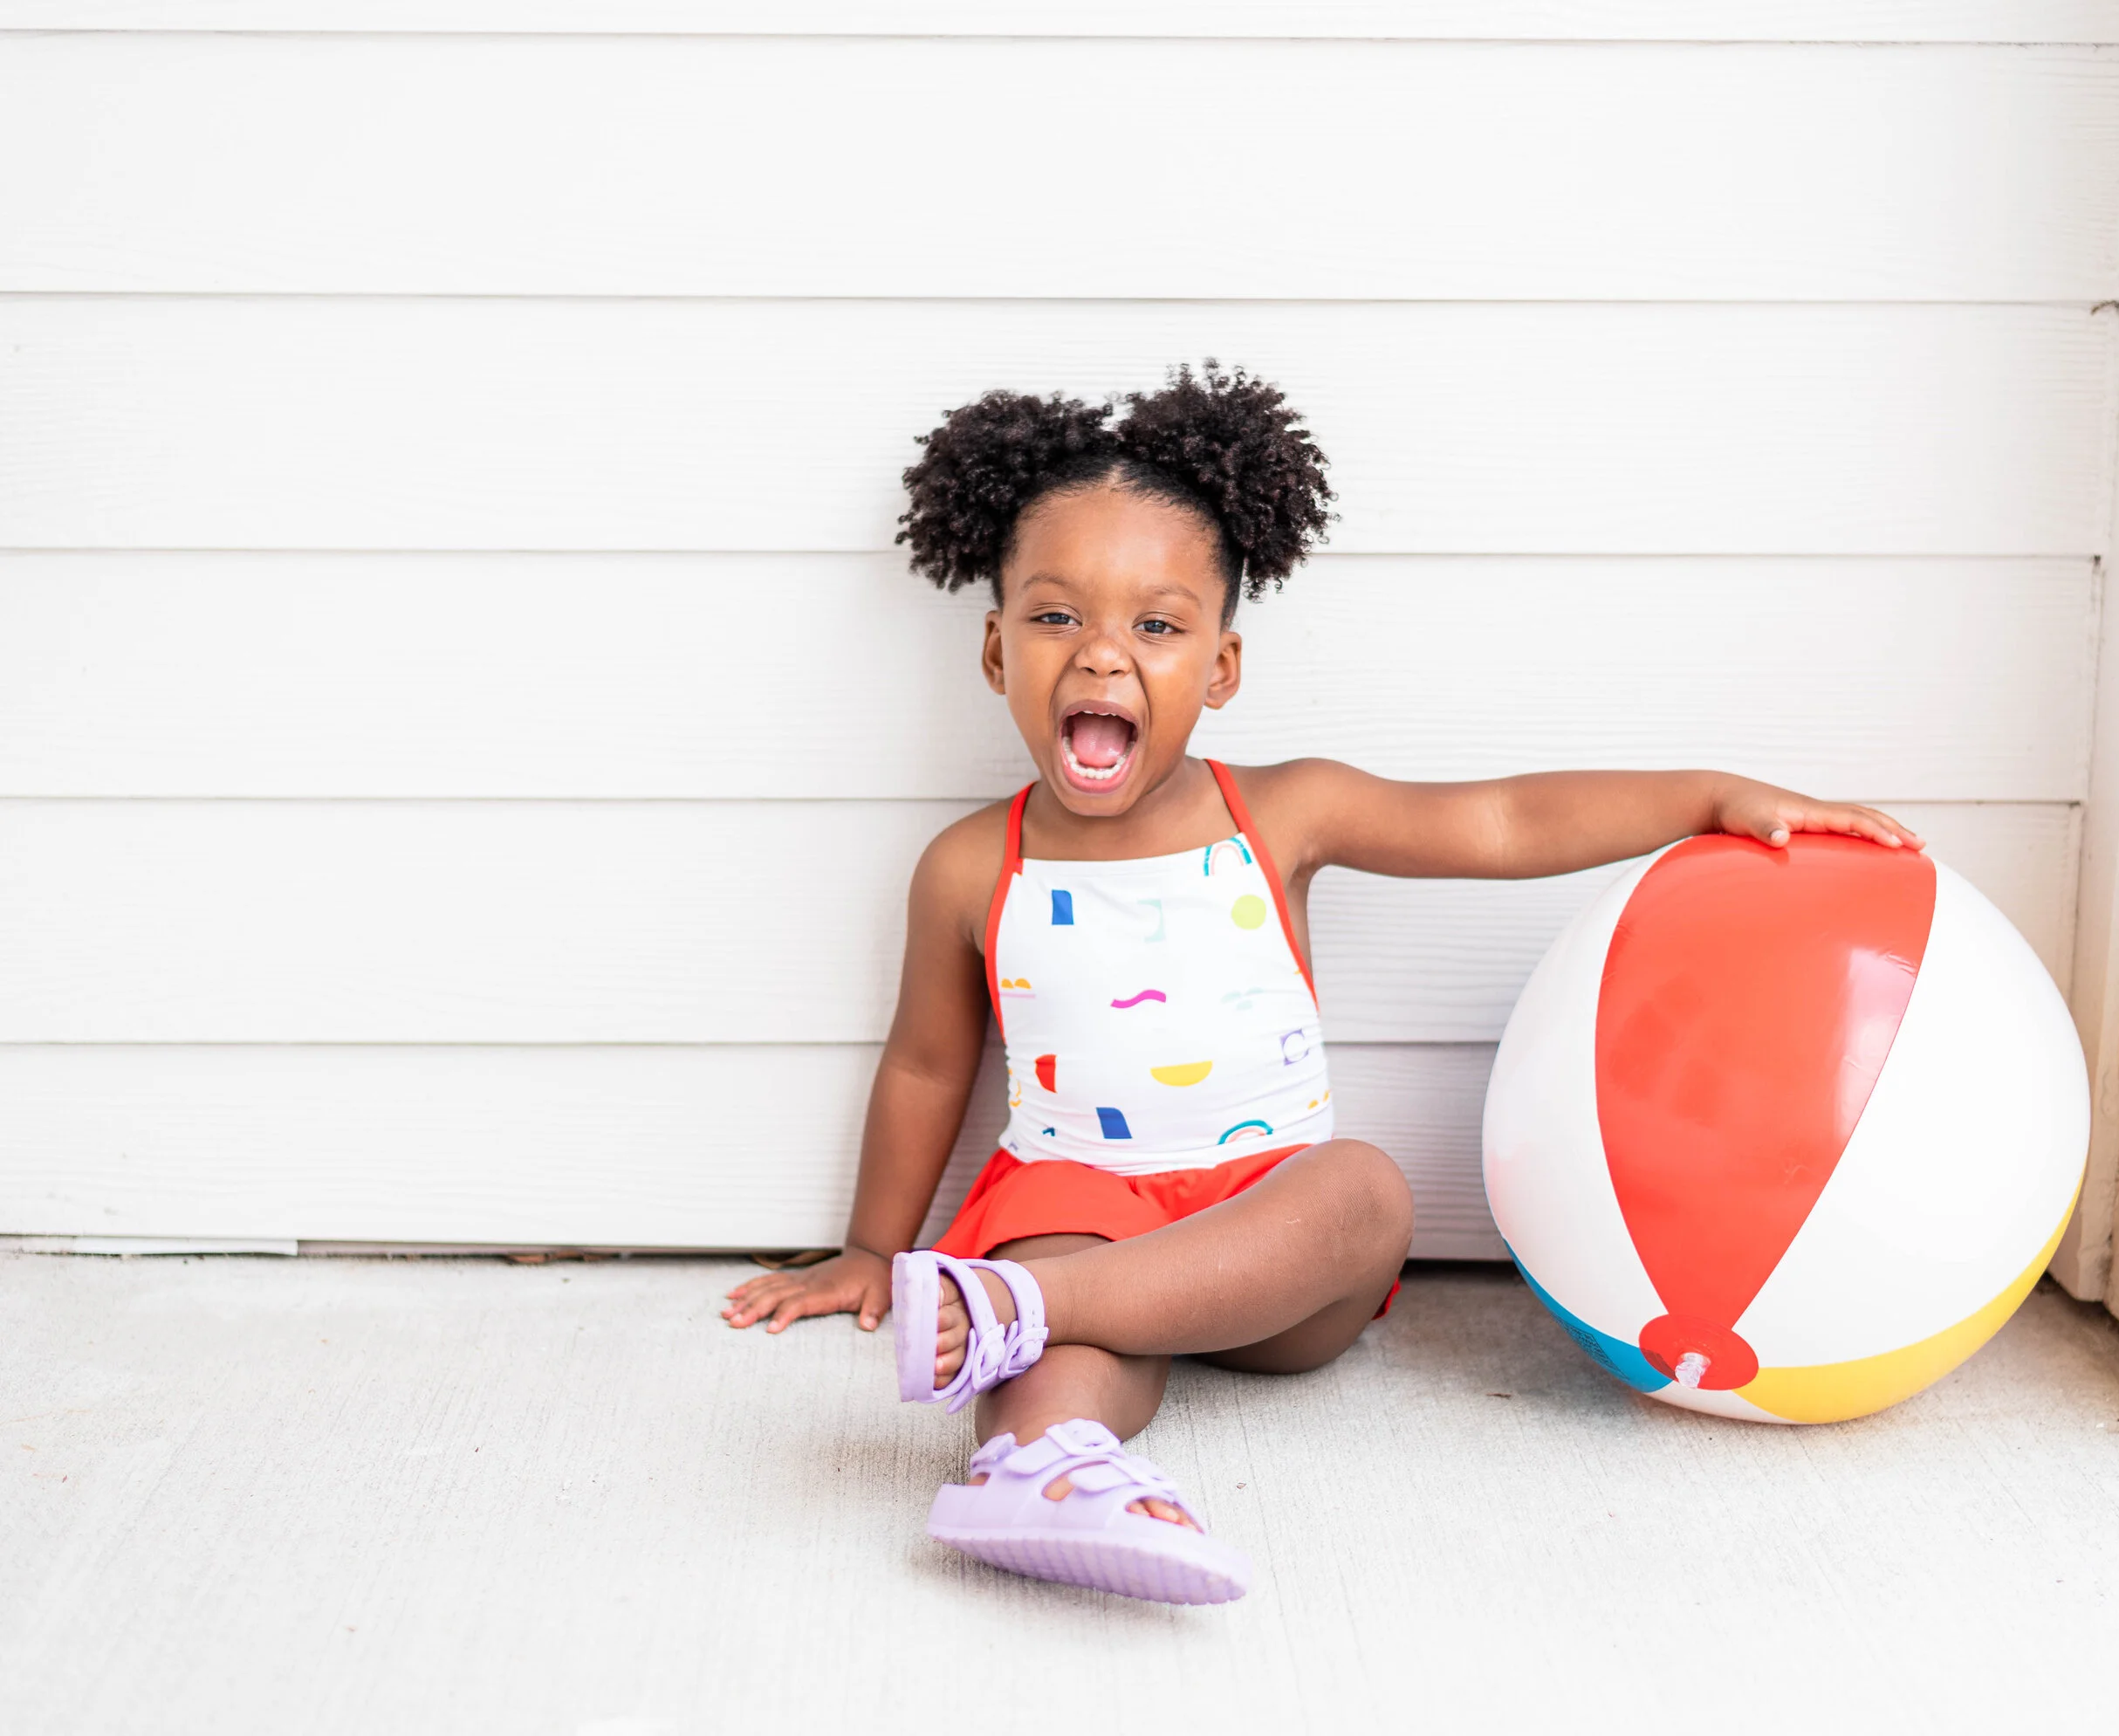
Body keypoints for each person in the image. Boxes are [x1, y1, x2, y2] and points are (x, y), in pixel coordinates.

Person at [723, 363, 1920, 1605]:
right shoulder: (974, 864)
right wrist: (874, 1246)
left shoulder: (1282, 813)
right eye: (1054, 617)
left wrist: (1710, 797)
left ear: (1222, 667)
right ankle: (1040, 1466)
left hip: (1272, 1242)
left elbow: (1503, 821)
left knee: (1365, 1187)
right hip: (1079, 1202)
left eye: (1156, 625)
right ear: (995, 648)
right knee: (1069, 1305)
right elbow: (927, 1061)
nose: (1101, 658)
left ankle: (1018, 1305)